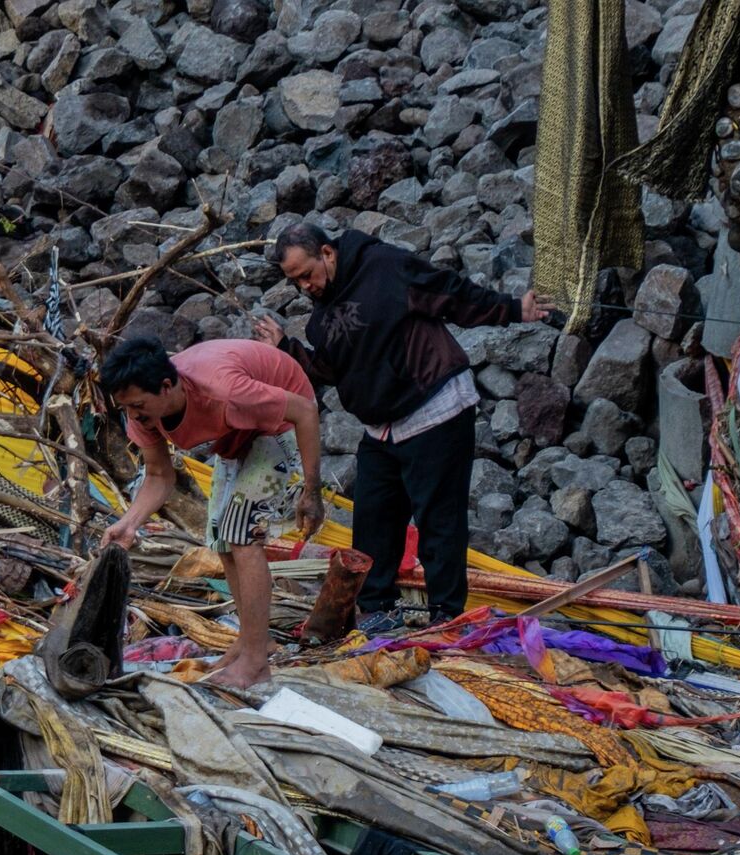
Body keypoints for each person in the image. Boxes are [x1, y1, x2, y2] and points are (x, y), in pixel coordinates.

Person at [254, 223, 553, 634]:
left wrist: (514, 308)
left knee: (438, 520)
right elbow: (329, 369)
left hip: (434, 406)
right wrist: (287, 349)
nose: (305, 286)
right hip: (382, 427)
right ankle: (378, 609)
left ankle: (447, 617)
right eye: (295, 282)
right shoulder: (322, 317)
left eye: (307, 274)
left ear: (327, 252)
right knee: (373, 518)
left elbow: (449, 292)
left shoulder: (385, 266)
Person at [100, 336, 323, 689]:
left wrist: (312, 491)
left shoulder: (226, 390)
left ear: (167, 386)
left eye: (138, 406)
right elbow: (159, 476)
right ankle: (256, 640)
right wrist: (128, 524)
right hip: (239, 434)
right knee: (221, 537)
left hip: (283, 422)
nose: (133, 416)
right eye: (126, 408)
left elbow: (305, 412)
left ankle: (256, 662)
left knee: (242, 533)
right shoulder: (143, 413)